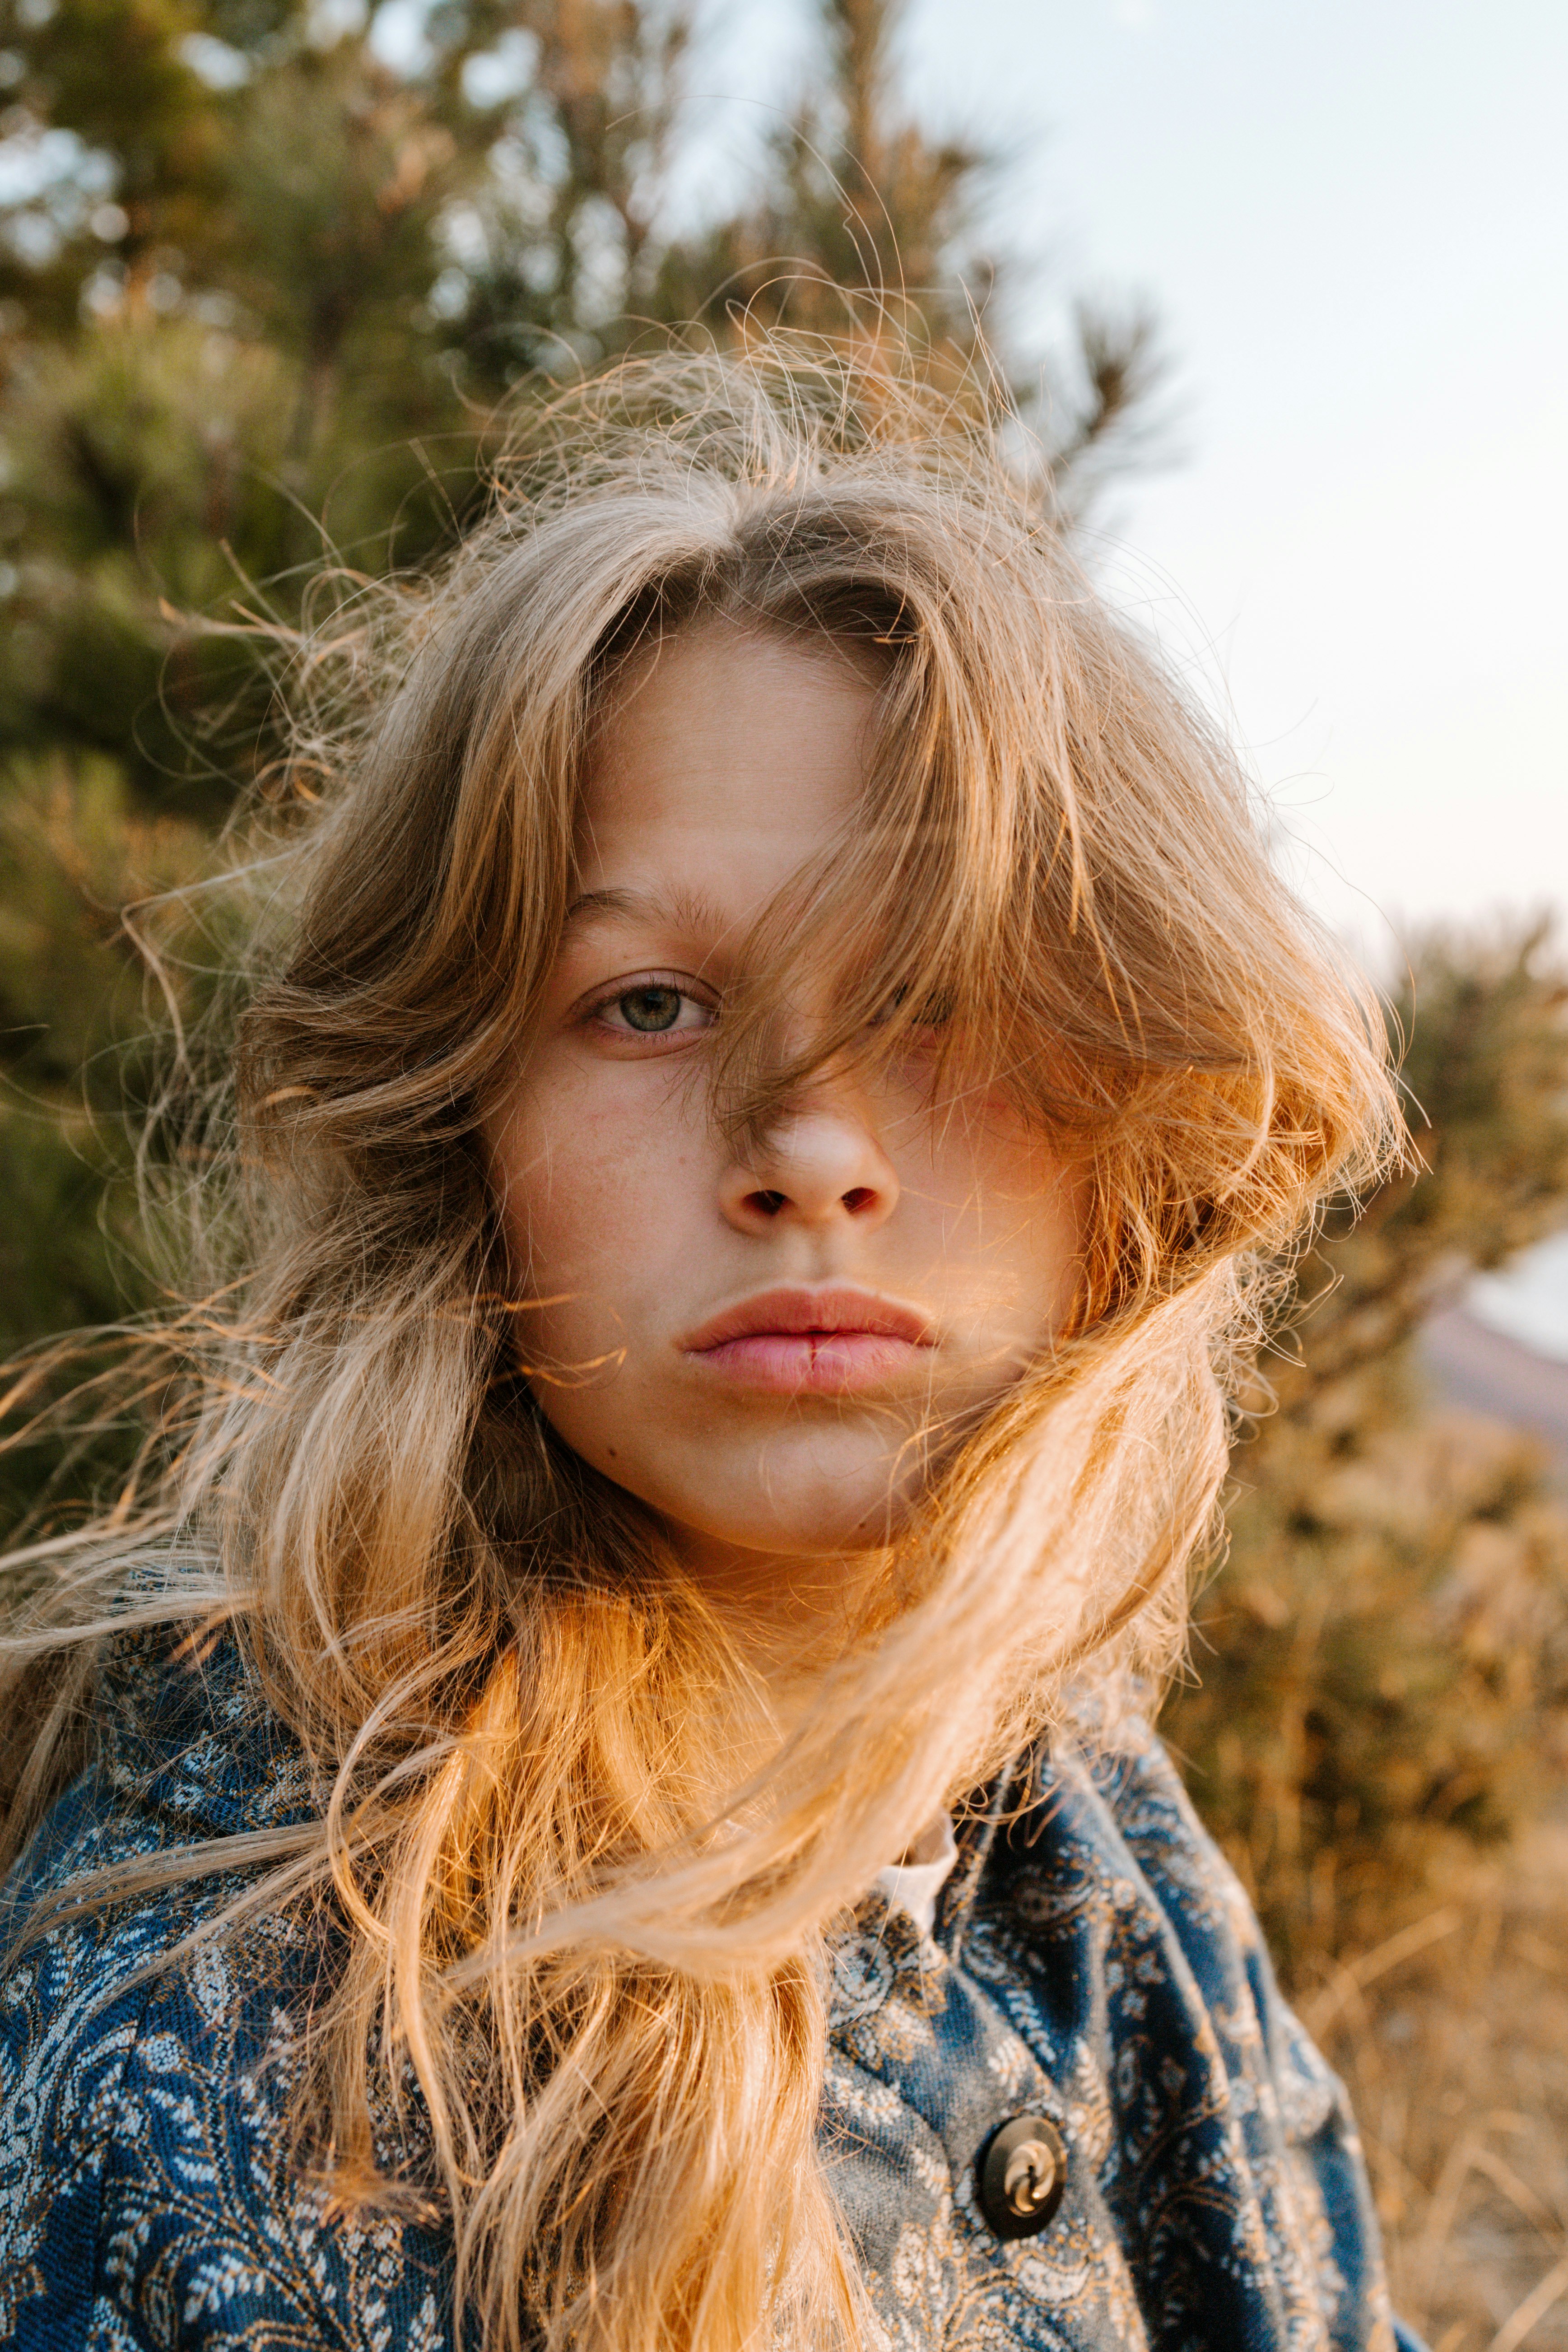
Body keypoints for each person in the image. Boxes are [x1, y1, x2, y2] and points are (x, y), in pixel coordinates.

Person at [0, 345, 1420, 2352]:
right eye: (649, 1003)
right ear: (457, 1124)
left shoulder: (1071, 1806)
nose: (813, 1151)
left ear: (1132, 1113)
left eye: (936, 992)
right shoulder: (234, 2066)